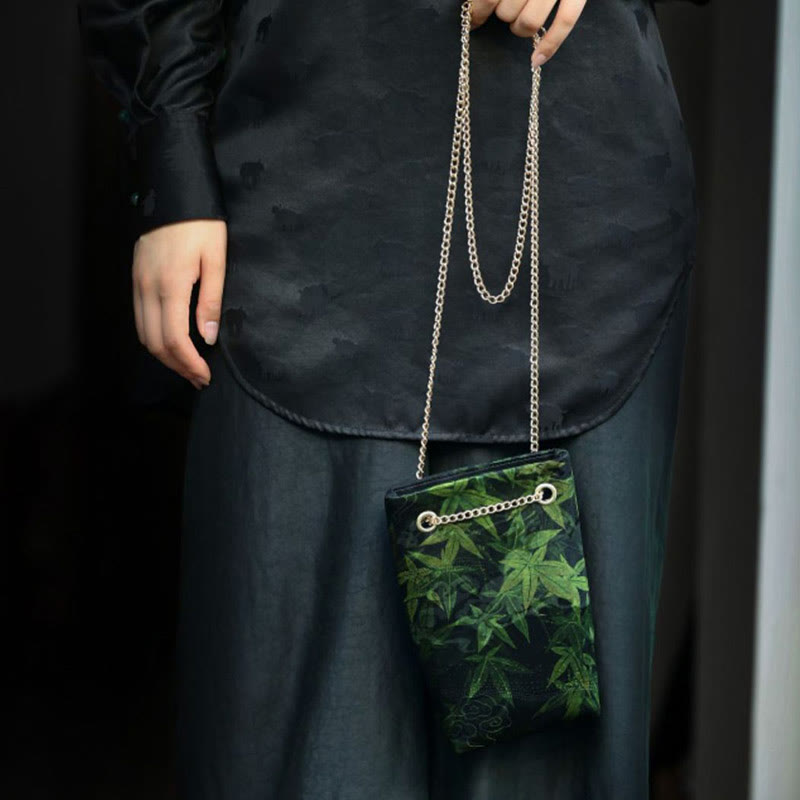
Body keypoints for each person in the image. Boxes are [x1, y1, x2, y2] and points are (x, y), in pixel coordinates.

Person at [78, 0, 704, 797]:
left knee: (550, 766)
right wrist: (172, 150)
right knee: (299, 758)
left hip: (585, 243)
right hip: (299, 222)